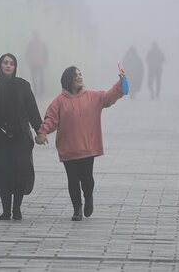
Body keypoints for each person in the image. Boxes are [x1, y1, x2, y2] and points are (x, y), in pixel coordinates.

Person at [35, 65, 125, 221]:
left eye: (80, 74)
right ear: (67, 79)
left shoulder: (93, 96)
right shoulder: (59, 101)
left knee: (87, 178)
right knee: (72, 180)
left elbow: (109, 97)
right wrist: (43, 132)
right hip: (68, 149)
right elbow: (50, 119)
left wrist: (121, 82)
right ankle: (77, 208)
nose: (79, 77)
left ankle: (88, 196)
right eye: (75, 75)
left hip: (87, 148)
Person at [0, 53, 43, 221]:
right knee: (3, 173)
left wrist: (40, 131)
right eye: (5, 63)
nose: (8, 66)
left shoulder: (23, 86)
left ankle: (17, 208)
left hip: (20, 138)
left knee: (21, 172)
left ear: (15, 67)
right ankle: (6, 210)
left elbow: (32, 110)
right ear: (0, 66)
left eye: (11, 63)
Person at [25, 30, 48, 97]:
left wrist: (46, 61)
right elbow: (27, 53)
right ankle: (36, 92)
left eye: (37, 35)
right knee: (34, 78)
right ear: (34, 36)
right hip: (33, 64)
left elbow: (46, 53)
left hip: (40, 63)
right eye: (35, 35)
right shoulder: (30, 44)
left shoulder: (42, 44)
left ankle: (42, 93)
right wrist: (27, 61)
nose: (36, 36)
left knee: (41, 79)